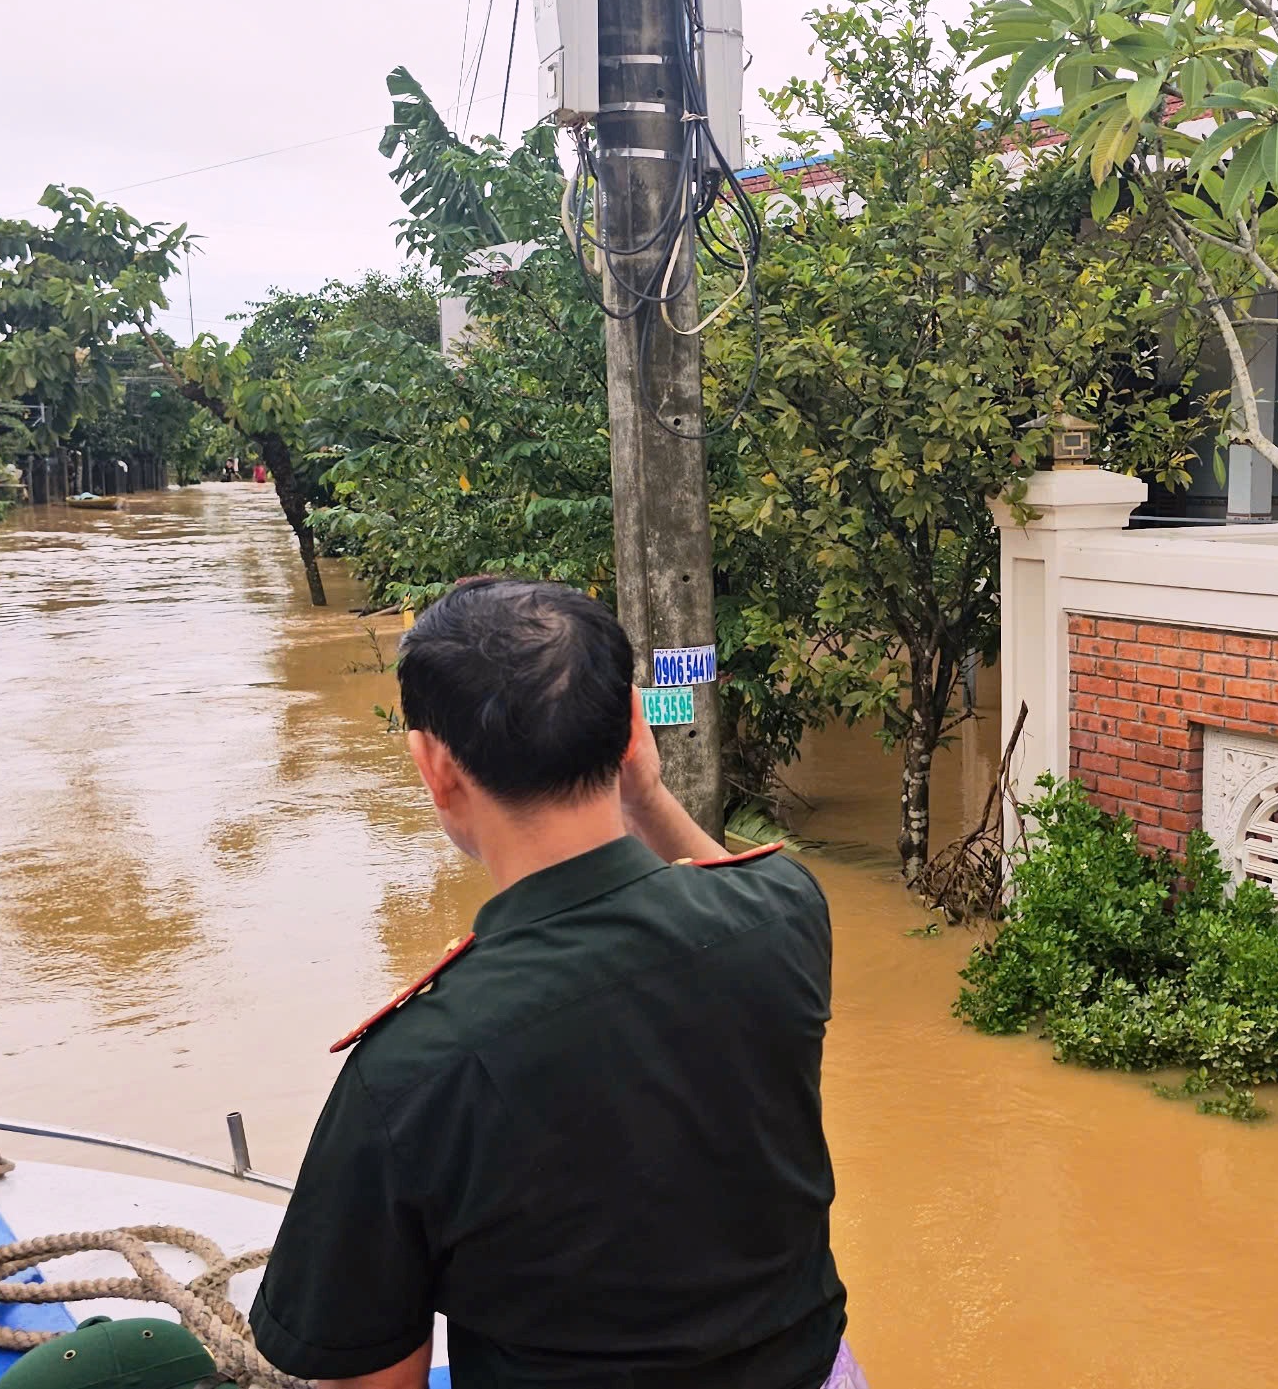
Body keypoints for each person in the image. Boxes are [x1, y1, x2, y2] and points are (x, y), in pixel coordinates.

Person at [250, 579, 859, 1389]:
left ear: (434, 766)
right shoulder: (785, 916)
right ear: (633, 730)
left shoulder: (411, 1071)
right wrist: (647, 795)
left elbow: (374, 1381)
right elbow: (731, 885)